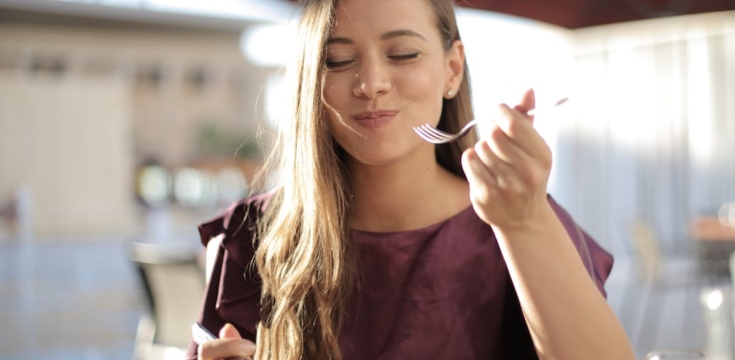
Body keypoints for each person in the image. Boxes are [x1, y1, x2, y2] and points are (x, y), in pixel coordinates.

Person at [188, 0, 633, 359]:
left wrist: (525, 223)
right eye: (338, 60)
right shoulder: (253, 236)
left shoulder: (520, 219)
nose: (371, 83)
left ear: (452, 70)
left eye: (403, 54)